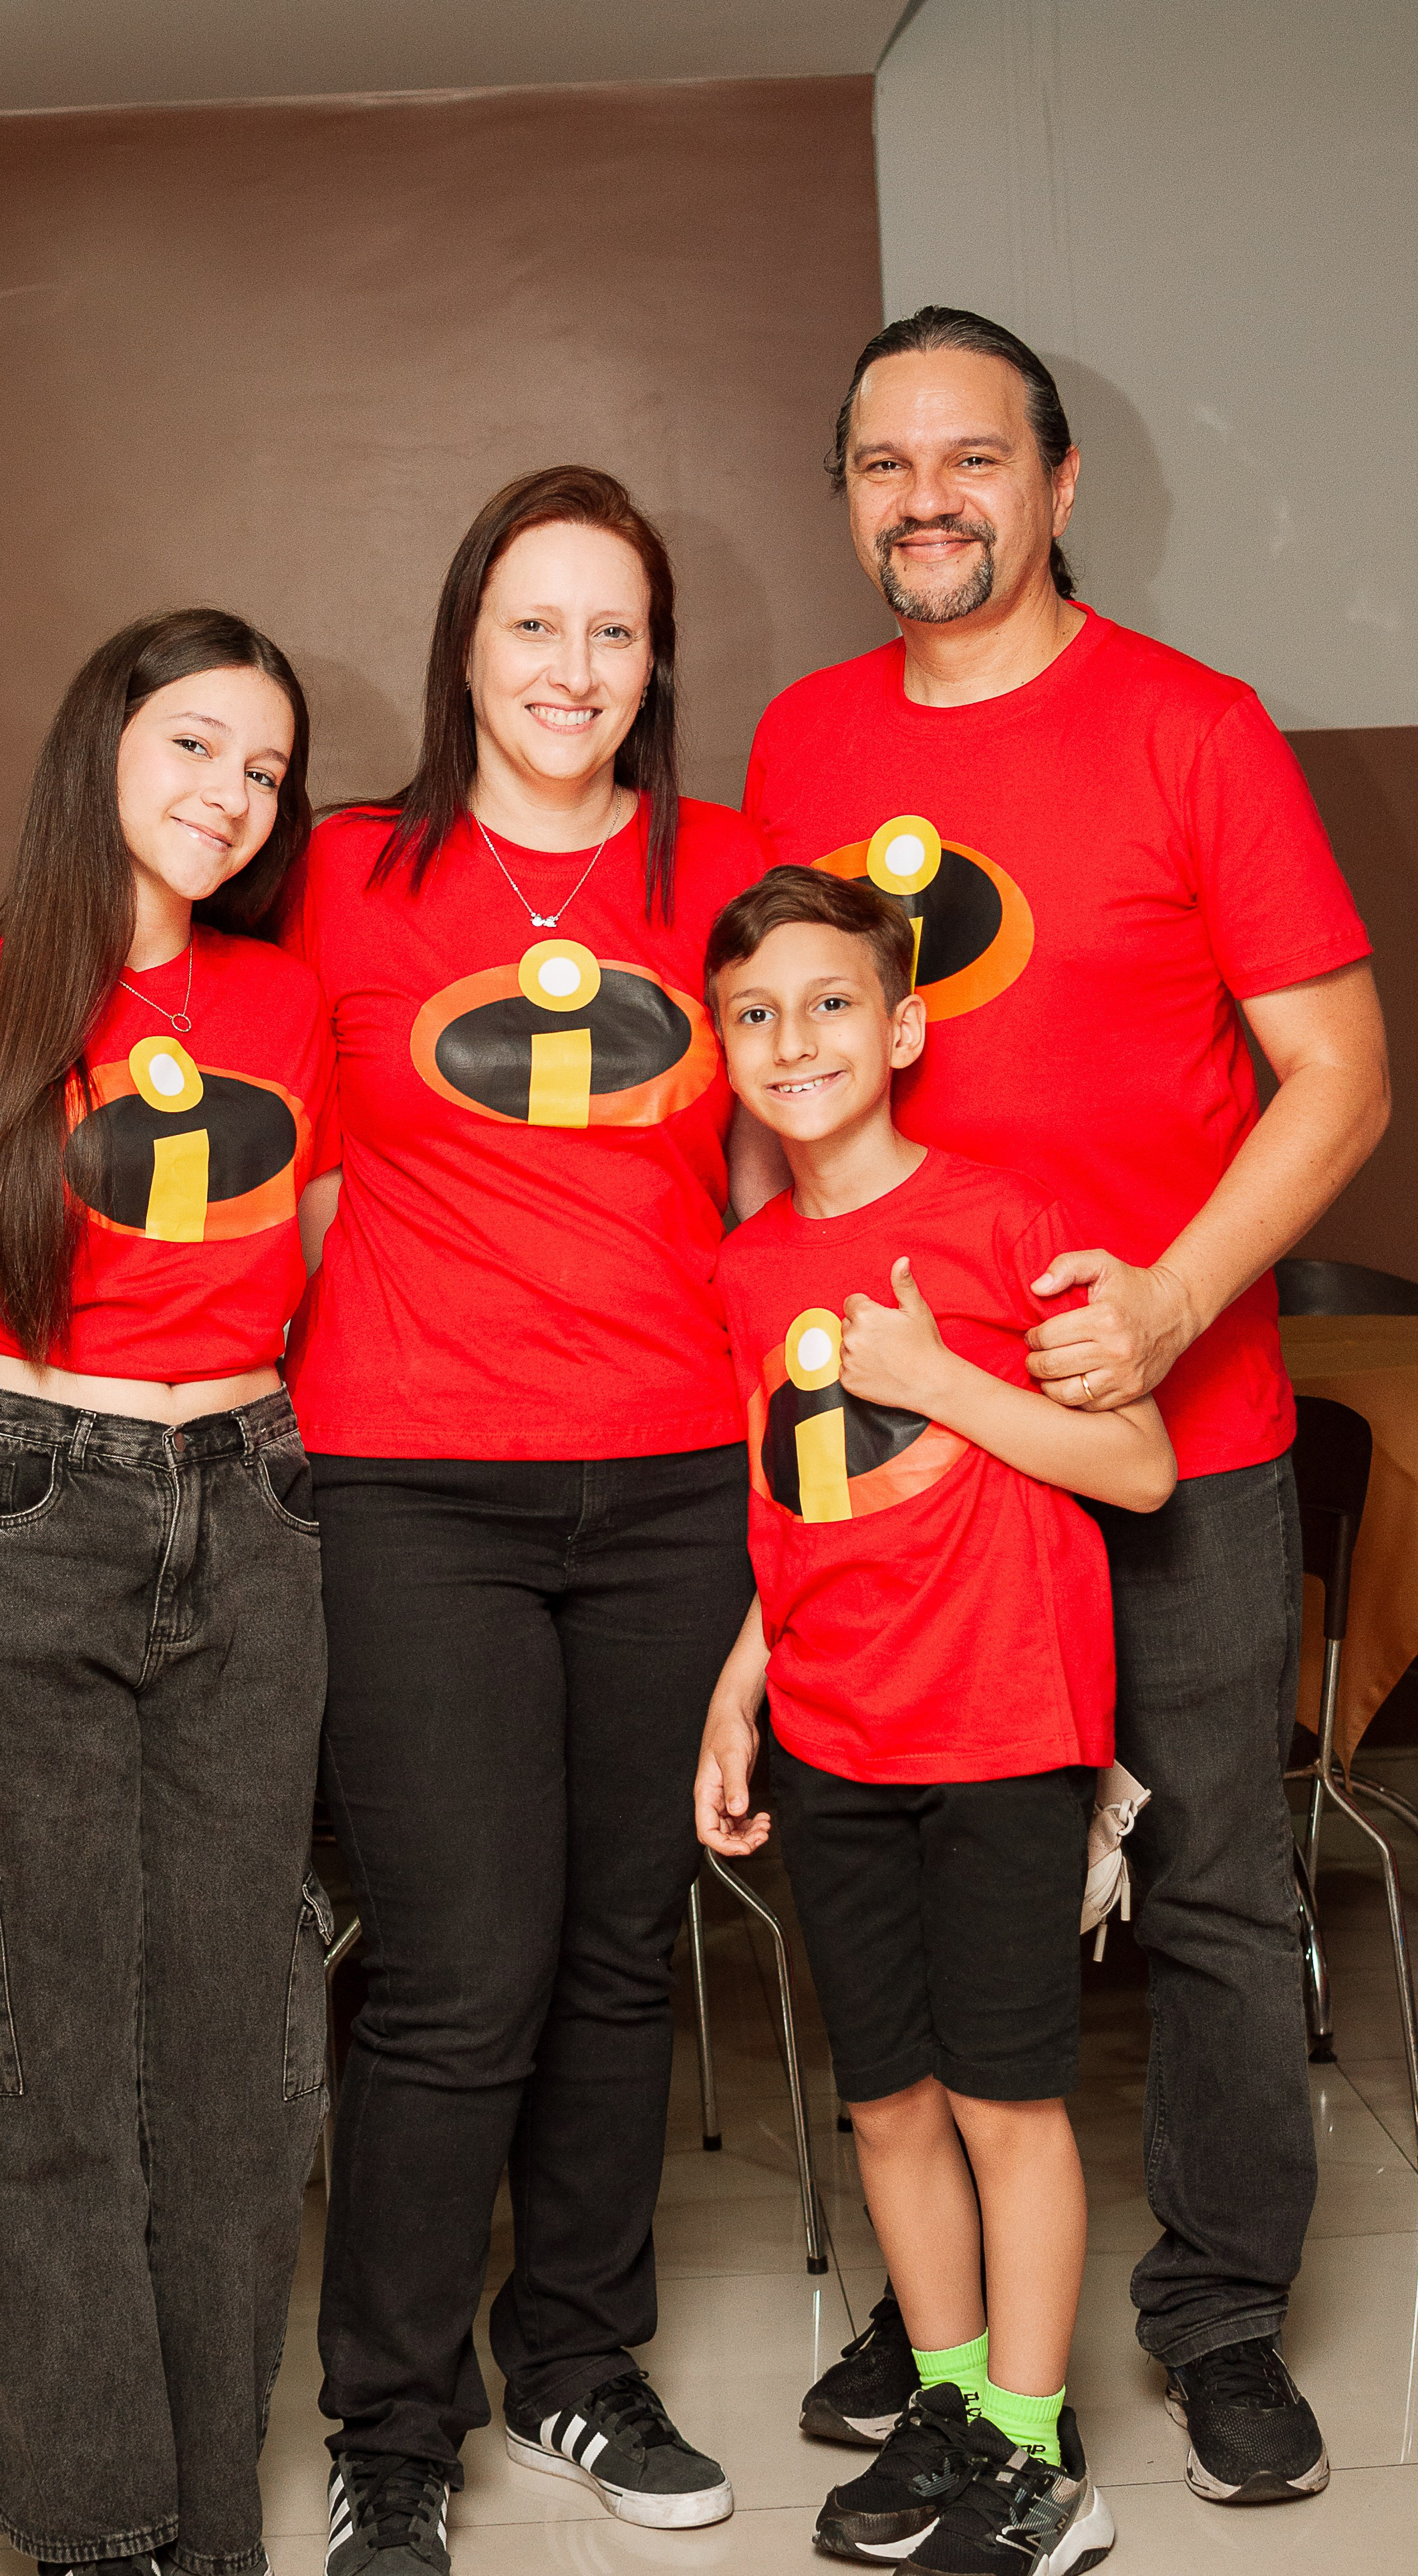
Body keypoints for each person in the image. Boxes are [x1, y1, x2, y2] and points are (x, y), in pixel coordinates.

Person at [742, 305, 1388, 2508]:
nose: (927, 498)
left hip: (1168, 1430)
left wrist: (1178, 1298)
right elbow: (779, 1068)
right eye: (884, 463)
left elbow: (1340, 1075)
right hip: (903, 1446)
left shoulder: (1197, 730)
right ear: (848, 497)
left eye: (973, 457)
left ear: (1059, 483)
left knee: (1211, 1884)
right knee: (919, 1879)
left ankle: (1217, 2311)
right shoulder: (806, 739)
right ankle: (938, 2326)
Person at [283, 467, 770, 2573]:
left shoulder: (729, 869)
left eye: (615, 630)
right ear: (465, 645)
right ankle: (392, 2425)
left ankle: (576, 2352)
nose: (575, 669)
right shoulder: (336, 872)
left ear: (657, 661)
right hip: (413, 1484)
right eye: (534, 624)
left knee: (616, 1953)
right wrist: (14, 1336)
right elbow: (225, 1127)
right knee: (459, 1969)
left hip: (676, 1479)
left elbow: (776, 1173)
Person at [0, 609, 339, 2576]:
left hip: (254, 1508)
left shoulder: (287, 1002)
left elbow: (322, 1280)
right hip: (20, 1511)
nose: (231, 793)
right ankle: (94, 2531)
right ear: (102, 746)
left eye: (265, 768)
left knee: (237, 2070)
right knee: (42, 2052)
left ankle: (209, 2528)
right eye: (196, 743)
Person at [698, 866, 1175, 2572]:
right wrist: (737, 1689)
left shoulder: (1002, 1219)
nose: (792, 1039)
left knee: (999, 2100)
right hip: (835, 1734)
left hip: (1001, 1726)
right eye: (753, 1014)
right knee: (888, 2100)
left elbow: (1138, 1464)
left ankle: (1038, 2458)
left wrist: (939, 1379)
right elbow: (793, 1498)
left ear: (900, 1027)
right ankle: (958, 2400)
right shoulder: (748, 1266)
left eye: (829, 1002)